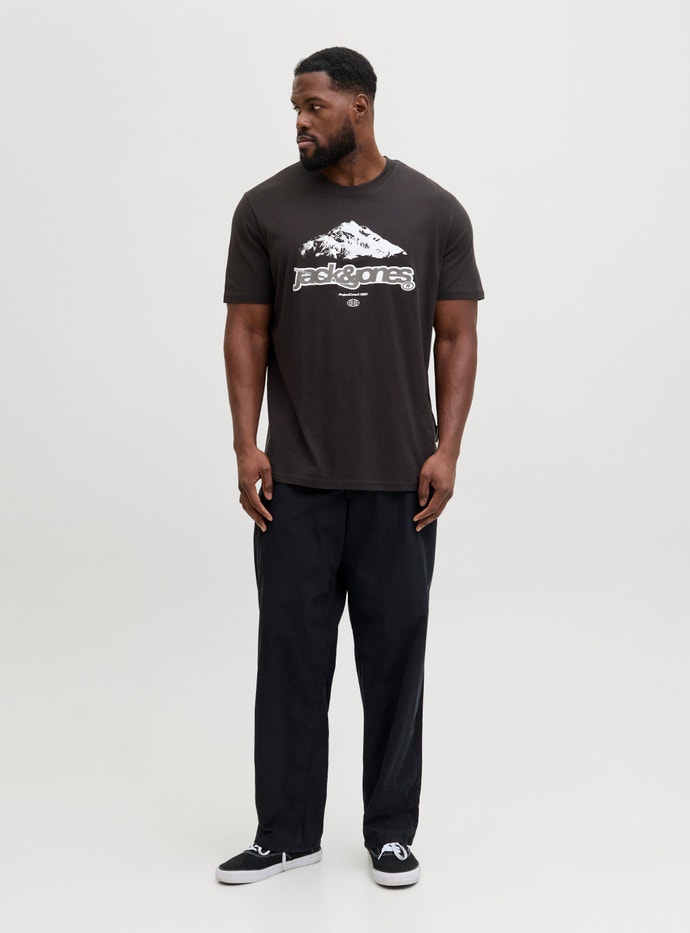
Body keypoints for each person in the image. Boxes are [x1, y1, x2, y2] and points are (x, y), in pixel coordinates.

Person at [216, 46, 484, 888]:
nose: (299, 122)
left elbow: (457, 335)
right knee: (290, 661)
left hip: (400, 485)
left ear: (359, 106)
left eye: (313, 106)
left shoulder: (434, 211)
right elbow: (247, 330)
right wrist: (246, 443)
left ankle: (391, 831)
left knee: (396, 661)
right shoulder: (264, 209)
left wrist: (447, 448)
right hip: (293, 483)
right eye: (295, 108)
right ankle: (286, 831)